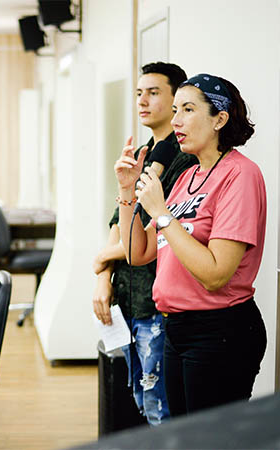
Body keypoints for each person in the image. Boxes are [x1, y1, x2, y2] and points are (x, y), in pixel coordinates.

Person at [116, 73, 266, 416]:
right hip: (177, 328)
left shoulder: (240, 175)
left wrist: (162, 213)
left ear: (220, 118)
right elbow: (136, 253)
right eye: (174, 110)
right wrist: (127, 191)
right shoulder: (188, 175)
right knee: (184, 437)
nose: (176, 120)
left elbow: (216, 274)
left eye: (187, 109)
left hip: (220, 332)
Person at [92, 62, 195, 425]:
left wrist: (105, 255)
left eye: (153, 93)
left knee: (159, 405)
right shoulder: (146, 152)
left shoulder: (185, 157)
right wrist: (103, 275)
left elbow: (167, 227)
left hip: (159, 298)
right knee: (140, 396)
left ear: (176, 99)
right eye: (139, 93)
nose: (143, 101)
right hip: (129, 295)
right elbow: (117, 219)